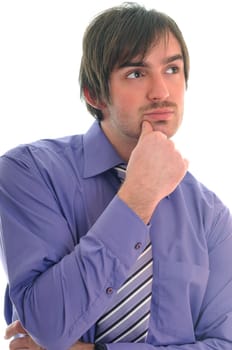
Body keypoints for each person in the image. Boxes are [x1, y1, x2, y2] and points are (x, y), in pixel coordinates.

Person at [1, 2, 232, 350]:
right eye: (137, 73)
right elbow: (48, 324)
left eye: (172, 69)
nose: (162, 92)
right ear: (95, 94)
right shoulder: (29, 172)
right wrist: (138, 195)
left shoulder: (210, 216)